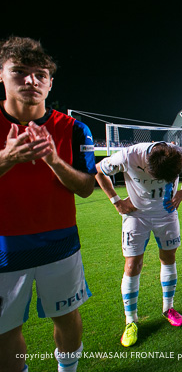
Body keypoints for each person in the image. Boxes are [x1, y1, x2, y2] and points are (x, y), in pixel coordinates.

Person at [0, 37, 96, 372]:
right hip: (4, 245)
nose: (31, 81)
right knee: (4, 331)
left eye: (40, 74)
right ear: (1, 75)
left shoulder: (74, 129)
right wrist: (7, 158)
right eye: (19, 72)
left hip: (61, 242)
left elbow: (86, 189)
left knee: (67, 317)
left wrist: (54, 160)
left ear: (50, 82)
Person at [96, 141, 182, 345]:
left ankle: (168, 308)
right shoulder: (128, 156)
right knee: (133, 265)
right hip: (136, 216)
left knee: (169, 258)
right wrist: (116, 201)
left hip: (166, 214)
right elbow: (97, 170)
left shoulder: (181, 155)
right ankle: (130, 321)